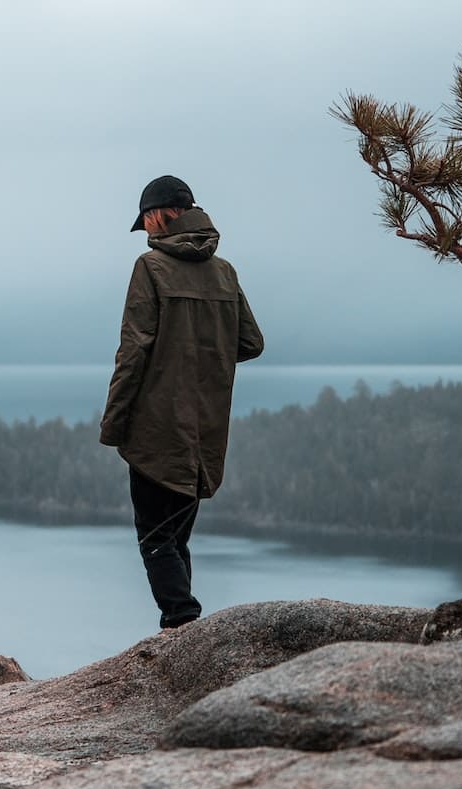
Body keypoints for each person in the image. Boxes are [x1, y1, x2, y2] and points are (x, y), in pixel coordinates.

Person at [100, 175, 264, 630]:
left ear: (159, 215)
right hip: (205, 430)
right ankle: (186, 632)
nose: (146, 229)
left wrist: (113, 425)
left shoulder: (150, 267)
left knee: (154, 538)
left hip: (157, 428)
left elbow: (133, 352)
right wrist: (200, 350)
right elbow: (251, 343)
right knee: (175, 538)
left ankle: (182, 620)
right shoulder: (224, 271)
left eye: (146, 219)